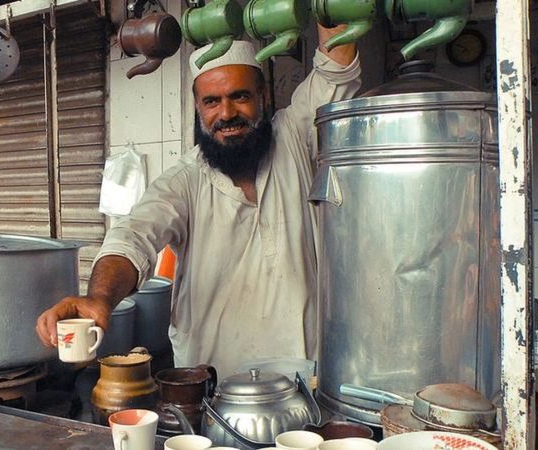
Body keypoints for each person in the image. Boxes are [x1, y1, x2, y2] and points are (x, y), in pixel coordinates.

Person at [37, 25, 361, 379]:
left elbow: (336, 65)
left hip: (306, 379)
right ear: (198, 106)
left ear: (263, 97)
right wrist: (100, 299)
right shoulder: (185, 180)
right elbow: (132, 237)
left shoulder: (296, 137)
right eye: (212, 101)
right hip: (213, 387)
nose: (226, 114)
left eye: (240, 96)